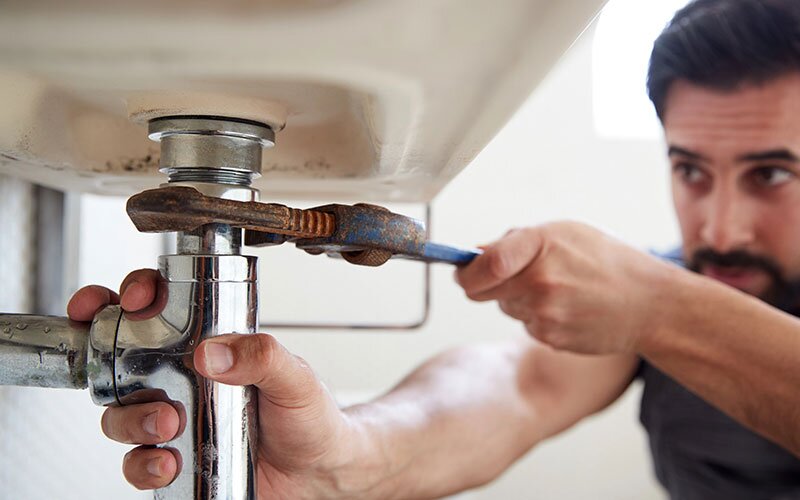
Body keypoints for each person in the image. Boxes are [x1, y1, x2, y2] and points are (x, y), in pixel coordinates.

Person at [68, 0, 800, 498]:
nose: (722, 227)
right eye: (691, 171)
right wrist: (348, 455)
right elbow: (517, 388)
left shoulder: (662, 300)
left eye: (772, 175)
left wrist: (656, 306)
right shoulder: (674, 291)